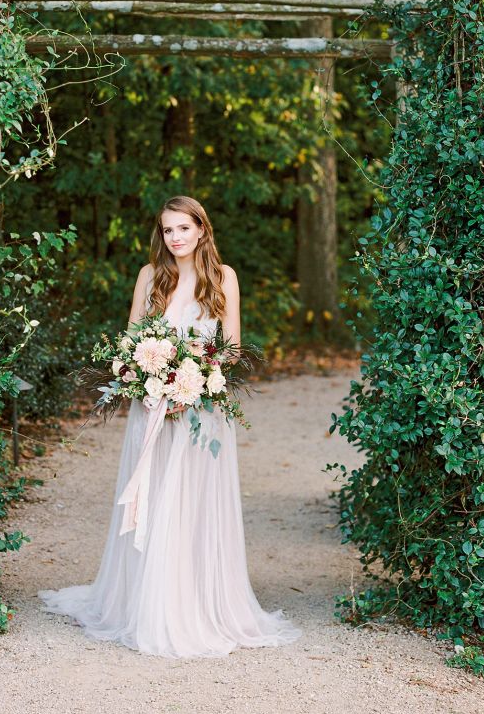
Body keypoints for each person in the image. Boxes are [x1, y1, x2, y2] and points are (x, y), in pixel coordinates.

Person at [39, 195, 301, 657]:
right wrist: (148, 378)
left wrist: (195, 380)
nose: (175, 238)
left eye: (183, 228)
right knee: (156, 498)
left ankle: (195, 603)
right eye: (167, 230)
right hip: (153, 407)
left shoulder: (224, 279)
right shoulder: (149, 277)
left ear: (202, 229)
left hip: (202, 412)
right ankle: (146, 604)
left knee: (194, 504)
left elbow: (233, 349)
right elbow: (130, 343)